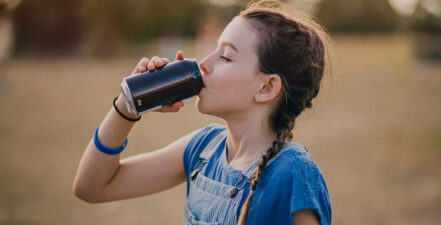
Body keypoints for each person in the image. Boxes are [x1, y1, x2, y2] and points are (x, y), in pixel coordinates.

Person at [73, 0, 333, 224]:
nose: (203, 64)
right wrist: (127, 106)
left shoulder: (293, 173)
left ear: (266, 87)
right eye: (213, 50)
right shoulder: (203, 148)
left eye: (226, 57)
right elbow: (92, 187)